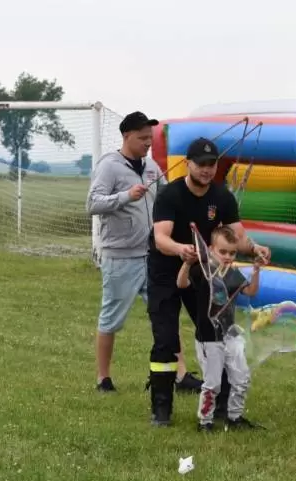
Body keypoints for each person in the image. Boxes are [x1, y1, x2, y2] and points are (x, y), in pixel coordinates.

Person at [146, 136, 271, 427]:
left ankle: (224, 410)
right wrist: (181, 249)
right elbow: (160, 238)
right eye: (200, 164)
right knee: (165, 339)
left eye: (211, 164)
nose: (206, 169)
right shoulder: (170, 194)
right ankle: (161, 409)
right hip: (166, 272)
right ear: (187, 164)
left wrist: (256, 249)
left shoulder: (222, 197)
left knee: (219, 332)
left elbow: (238, 237)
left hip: (204, 274)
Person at [86, 111, 166, 392]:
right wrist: (125, 196)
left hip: (152, 255)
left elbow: (166, 196)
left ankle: (177, 376)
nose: (148, 143)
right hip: (120, 256)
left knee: (164, 314)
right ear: (127, 136)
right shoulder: (109, 166)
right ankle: (103, 378)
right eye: (143, 138)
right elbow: (92, 204)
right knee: (111, 318)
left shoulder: (152, 166)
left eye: (150, 138)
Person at [176, 226, 262, 432]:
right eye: (223, 252)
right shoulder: (202, 271)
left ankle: (235, 417)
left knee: (241, 378)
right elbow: (181, 284)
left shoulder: (233, 274)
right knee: (213, 383)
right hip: (209, 338)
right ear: (211, 249)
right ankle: (205, 421)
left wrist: (256, 270)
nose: (227, 257)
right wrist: (187, 264)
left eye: (232, 253)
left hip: (230, 335)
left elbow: (250, 291)